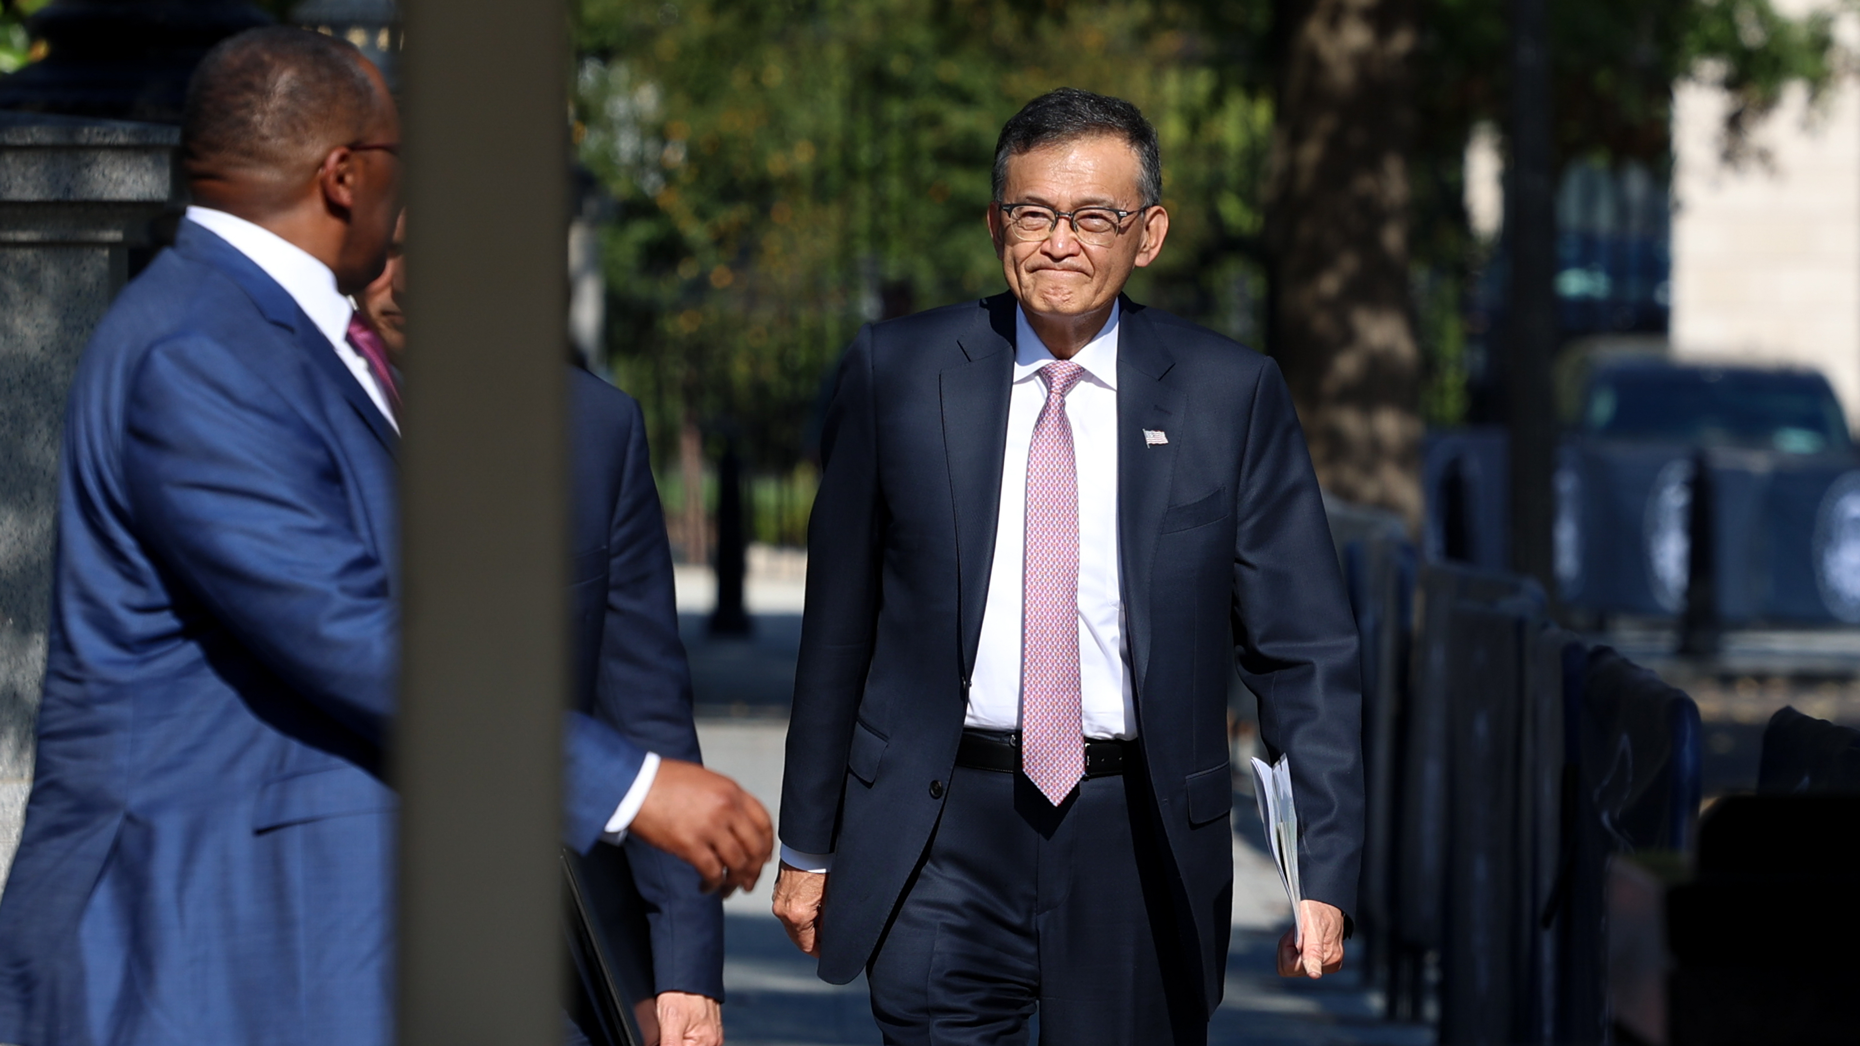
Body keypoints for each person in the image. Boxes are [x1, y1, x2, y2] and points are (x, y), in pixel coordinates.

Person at [0, 28, 766, 1046]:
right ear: (344, 175)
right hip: (200, 946)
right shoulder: (202, 348)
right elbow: (343, 628)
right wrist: (633, 786)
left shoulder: (274, 336)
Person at [771, 88, 1364, 1045]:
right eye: (1034, 214)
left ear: (1149, 234)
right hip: (941, 830)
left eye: (1094, 217)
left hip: (1137, 836)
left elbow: (1304, 648)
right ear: (996, 223)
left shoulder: (1227, 395)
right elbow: (837, 625)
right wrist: (807, 841)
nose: (1060, 242)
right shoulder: (898, 371)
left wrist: (1320, 869)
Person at [351, 214, 737, 1045]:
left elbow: (645, 709)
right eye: (388, 249)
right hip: (331, 936)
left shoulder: (593, 431)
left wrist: (682, 969)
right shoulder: (276, 416)